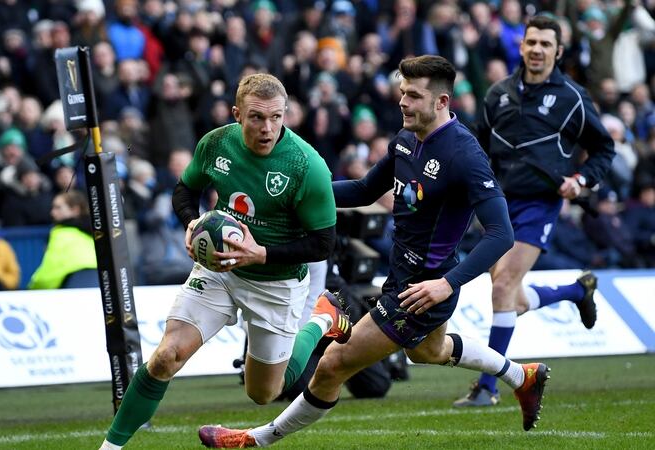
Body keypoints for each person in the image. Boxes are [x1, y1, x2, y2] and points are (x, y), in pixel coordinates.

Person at [197, 55, 548, 448]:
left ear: (442, 102)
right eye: (402, 92)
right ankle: (523, 376)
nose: (402, 102)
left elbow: (501, 234)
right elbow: (365, 190)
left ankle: (254, 440)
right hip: (405, 277)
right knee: (430, 351)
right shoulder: (405, 141)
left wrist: (447, 285)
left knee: (332, 366)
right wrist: (297, 196)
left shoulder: (464, 154)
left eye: (413, 95)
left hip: (423, 291)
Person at [99, 73, 349, 450]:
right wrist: (192, 223)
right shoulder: (216, 143)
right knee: (166, 356)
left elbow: (323, 244)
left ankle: (321, 318)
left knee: (264, 393)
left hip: (276, 281)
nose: (267, 128)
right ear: (237, 114)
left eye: (276, 117)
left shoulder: (306, 166)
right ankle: (110, 447)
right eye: (256, 117)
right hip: (218, 271)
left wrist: (260, 253)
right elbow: (186, 190)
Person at [454, 15, 615, 407]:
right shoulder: (498, 94)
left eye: (545, 44)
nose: (537, 50)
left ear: (558, 52)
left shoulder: (572, 97)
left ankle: (489, 387)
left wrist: (580, 181)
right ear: (521, 47)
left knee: (503, 285)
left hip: (539, 204)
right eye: (531, 43)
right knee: (511, 296)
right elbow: (479, 148)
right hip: (497, 203)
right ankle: (577, 290)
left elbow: (604, 149)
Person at [28, 191, 97, 290]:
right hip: (100, 281)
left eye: (58, 208)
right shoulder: (95, 232)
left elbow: (50, 269)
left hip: (74, 282)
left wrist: (33, 287)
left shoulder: (60, 233)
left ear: (75, 210)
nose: (52, 212)